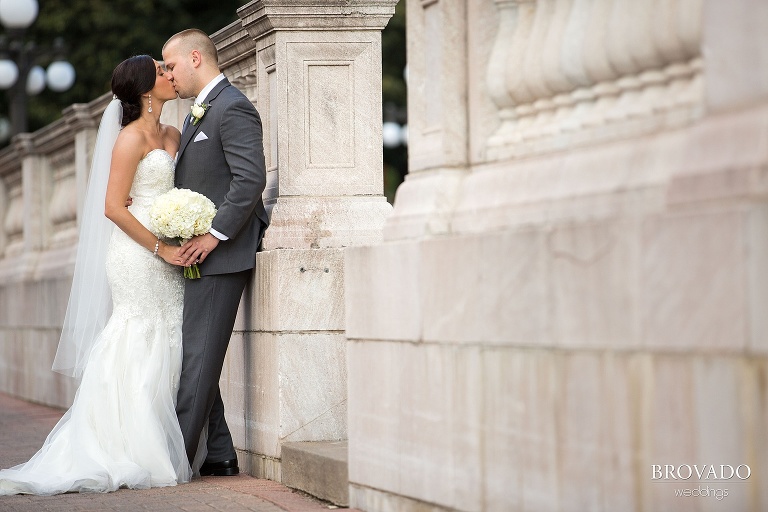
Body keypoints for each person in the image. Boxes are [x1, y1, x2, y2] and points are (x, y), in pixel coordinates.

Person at [0, 55, 191, 495]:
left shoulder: (174, 133)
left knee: (169, 334)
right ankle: (128, 446)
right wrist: (161, 248)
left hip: (171, 247)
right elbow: (112, 207)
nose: (170, 73)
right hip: (139, 253)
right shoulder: (129, 139)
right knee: (136, 333)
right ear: (146, 90)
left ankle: (166, 437)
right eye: (162, 70)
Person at [162, 29, 268, 476]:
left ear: (194, 58)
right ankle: (220, 453)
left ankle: (174, 461)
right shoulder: (195, 114)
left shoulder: (233, 108)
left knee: (198, 359)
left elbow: (250, 181)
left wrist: (214, 236)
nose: (167, 75)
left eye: (170, 65)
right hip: (200, 253)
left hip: (224, 254)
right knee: (198, 352)